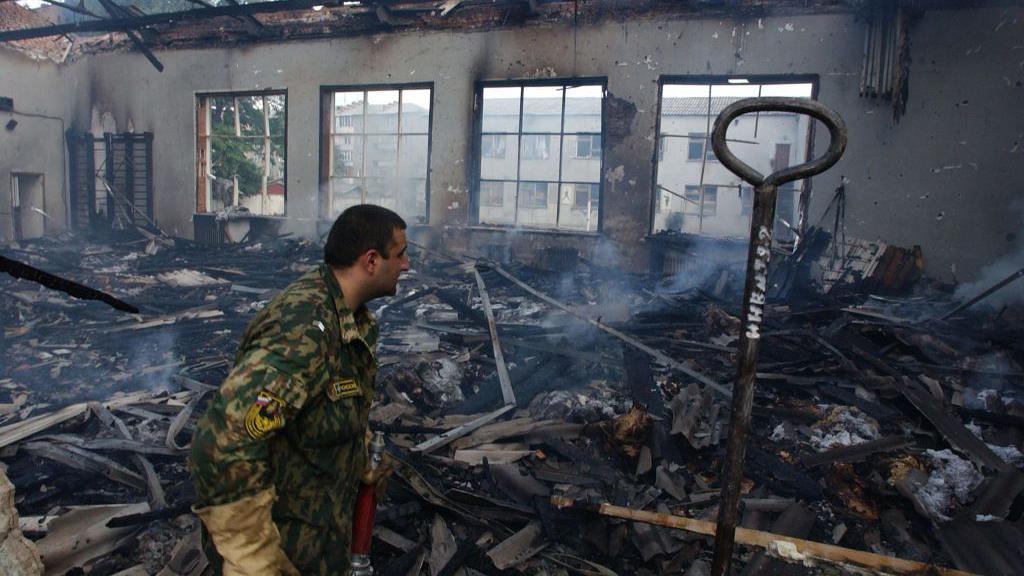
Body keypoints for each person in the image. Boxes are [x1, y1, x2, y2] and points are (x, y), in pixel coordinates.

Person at [189, 204, 409, 575]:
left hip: (321, 542)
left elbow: (318, 406)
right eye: (401, 254)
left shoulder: (353, 321)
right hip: (282, 548)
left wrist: (357, 454)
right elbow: (223, 441)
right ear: (371, 261)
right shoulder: (304, 329)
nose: (406, 265)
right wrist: (250, 556)